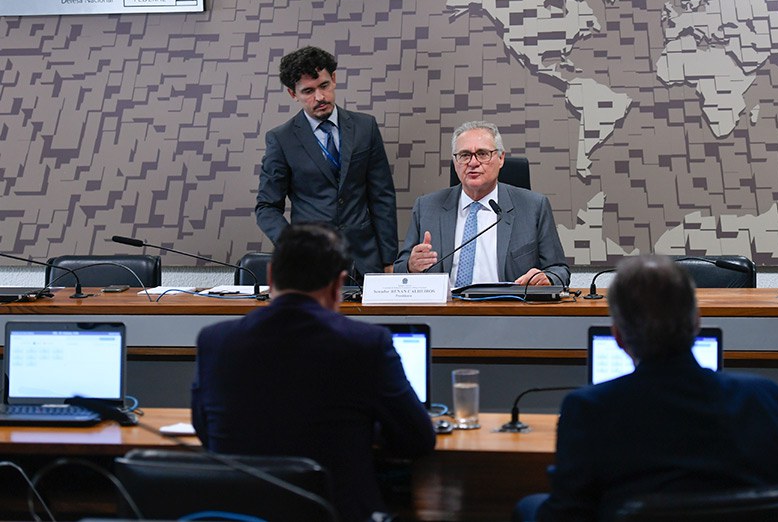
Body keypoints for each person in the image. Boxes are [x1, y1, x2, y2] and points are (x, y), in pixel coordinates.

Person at [524, 255, 778, 521]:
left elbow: (567, 514)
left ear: (618, 337)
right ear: (696, 323)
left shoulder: (588, 410)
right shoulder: (764, 398)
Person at [192, 223, 435, 522]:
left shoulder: (215, 341)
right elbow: (418, 439)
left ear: (270, 277)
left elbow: (205, 430)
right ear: (338, 285)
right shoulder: (366, 344)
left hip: (242, 512)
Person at [255, 46, 398, 279]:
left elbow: (382, 197)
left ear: (333, 79)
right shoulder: (281, 139)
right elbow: (267, 207)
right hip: (311, 264)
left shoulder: (365, 127)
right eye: (308, 91)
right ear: (293, 94)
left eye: (323, 86)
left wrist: (389, 259)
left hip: (366, 261)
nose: (319, 97)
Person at [393, 120, 570, 287]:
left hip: (508, 311)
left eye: (482, 154)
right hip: (445, 312)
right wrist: (411, 266)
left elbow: (559, 271)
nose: (473, 163)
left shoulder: (533, 207)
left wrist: (547, 278)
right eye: (464, 155)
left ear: (501, 158)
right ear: (455, 163)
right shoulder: (427, 207)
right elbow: (400, 270)